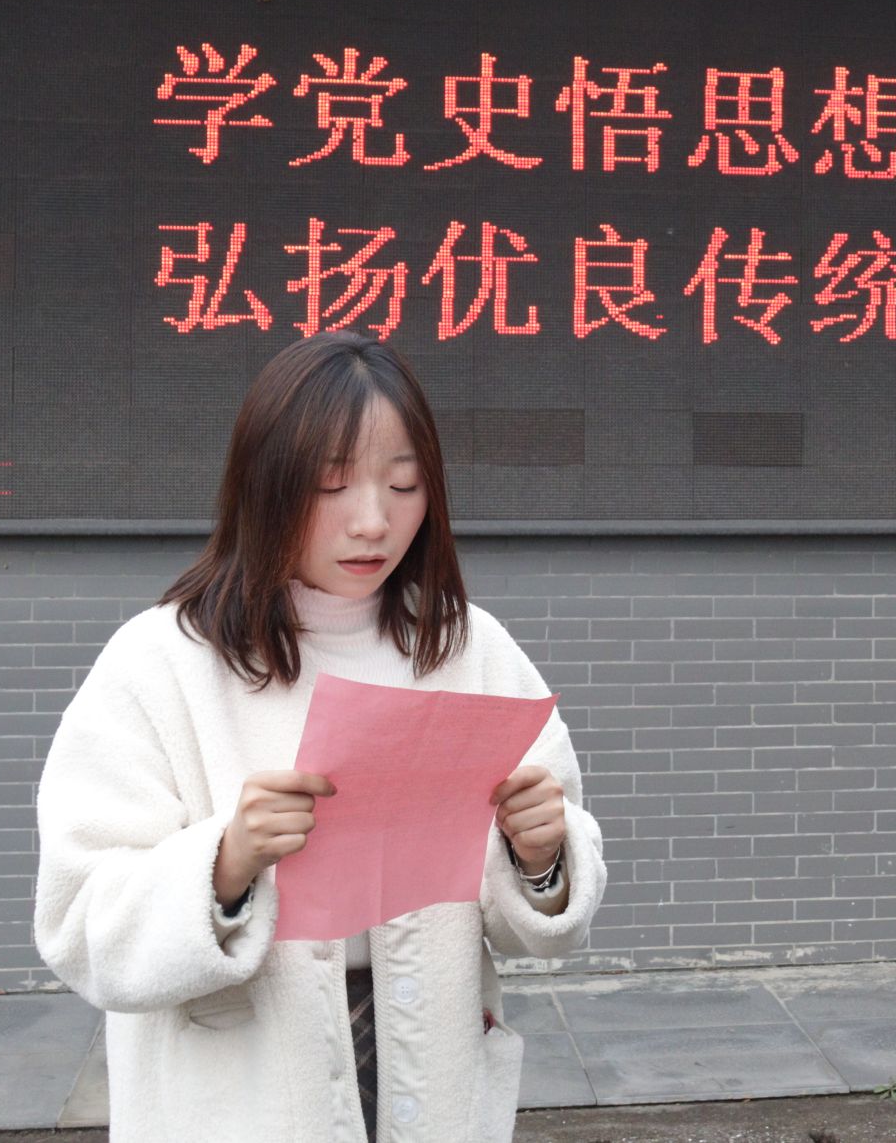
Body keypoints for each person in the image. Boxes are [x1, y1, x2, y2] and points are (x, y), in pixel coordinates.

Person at [33, 332, 604, 1143]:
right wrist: (224, 863)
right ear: (263, 483)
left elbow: (543, 917)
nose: (373, 521)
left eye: (403, 484)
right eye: (332, 485)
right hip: (237, 1093)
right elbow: (79, 923)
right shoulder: (162, 661)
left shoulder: (471, 648)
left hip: (433, 1067)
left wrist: (542, 857)